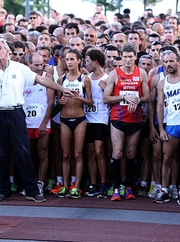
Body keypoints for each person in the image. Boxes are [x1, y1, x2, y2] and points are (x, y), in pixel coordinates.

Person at [0, 39, 75, 203]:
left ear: (7, 51)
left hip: (16, 112)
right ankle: (4, 191)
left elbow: (42, 80)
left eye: (0, 48)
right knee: (1, 153)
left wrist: (62, 89)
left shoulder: (20, 69)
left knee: (23, 151)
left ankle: (32, 190)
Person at [103, 43, 150, 201]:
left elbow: (147, 97)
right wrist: (124, 97)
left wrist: (136, 100)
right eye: (125, 57)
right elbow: (105, 98)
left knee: (131, 154)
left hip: (135, 118)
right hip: (118, 118)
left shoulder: (141, 73)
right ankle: (116, 188)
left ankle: (128, 187)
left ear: (135, 57)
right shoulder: (115, 74)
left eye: (131, 57)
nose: (128, 60)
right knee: (117, 152)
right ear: (121, 58)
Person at [57, 49, 93, 198]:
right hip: (65, 119)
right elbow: (58, 101)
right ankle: (65, 186)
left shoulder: (84, 79)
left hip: (79, 118)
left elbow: (90, 102)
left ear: (79, 60)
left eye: (72, 59)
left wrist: (80, 98)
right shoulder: (61, 79)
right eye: (67, 59)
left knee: (77, 154)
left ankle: (76, 186)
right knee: (65, 154)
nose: (69, 62)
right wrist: (60, 101)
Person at [24, 53, 55, 197]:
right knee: (27, 155)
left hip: (42, 123)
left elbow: (51, 102)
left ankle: (40, 183)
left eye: (41, 64)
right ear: (29, 64)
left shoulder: (48, 79)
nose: (39, 68)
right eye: (36, 65)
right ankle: (30, 183)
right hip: (26, 124)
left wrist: (44, 123)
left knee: (42, 153)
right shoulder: (23, 78)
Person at [84, 48, 109, 197]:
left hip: (101, 118)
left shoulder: (107, 77)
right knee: (90, 152)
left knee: (100, 151)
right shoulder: (86, 78)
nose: (86, 64)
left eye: (88, 61)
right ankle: (93, 183)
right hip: (87, 118)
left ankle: (103, 183)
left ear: (95, 61)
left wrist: (106, 90)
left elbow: (114, 98)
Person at [156, 50, 180, 203]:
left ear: (178, 62)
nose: (168, 64)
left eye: (171, 61)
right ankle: (164, 190)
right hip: (171, 123)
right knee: (167, 158)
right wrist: (160, 129)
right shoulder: (162, 83)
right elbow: (160, 106)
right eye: (165, 61)